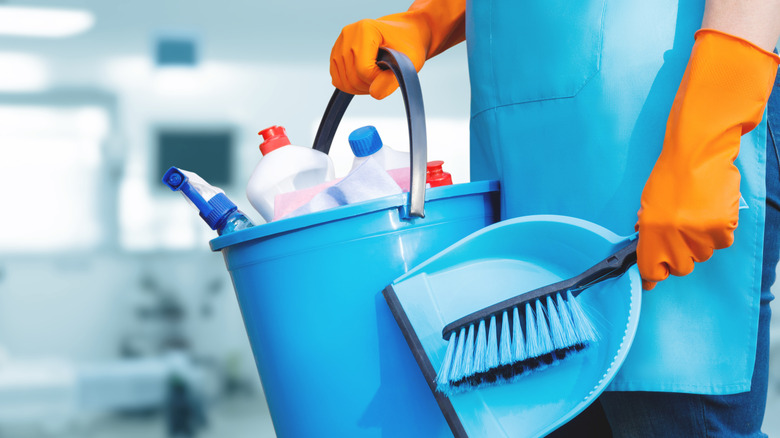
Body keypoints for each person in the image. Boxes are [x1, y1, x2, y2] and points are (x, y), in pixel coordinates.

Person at [330, 0, 780, 436]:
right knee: (543, 399)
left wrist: (706, 137)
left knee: (669, 412)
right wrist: (430, 18)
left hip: (660, 121)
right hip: (527, 152)